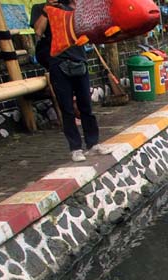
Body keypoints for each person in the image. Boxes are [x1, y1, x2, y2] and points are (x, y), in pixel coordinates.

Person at [32, 0, 109, 162]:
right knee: (66, 109)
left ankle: (93, 144)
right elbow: (38, 31)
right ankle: (75, 148)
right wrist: (47, 11)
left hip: (79, 61)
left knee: (86, 107)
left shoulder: (75, 8)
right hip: (58, 64)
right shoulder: (39, 9)